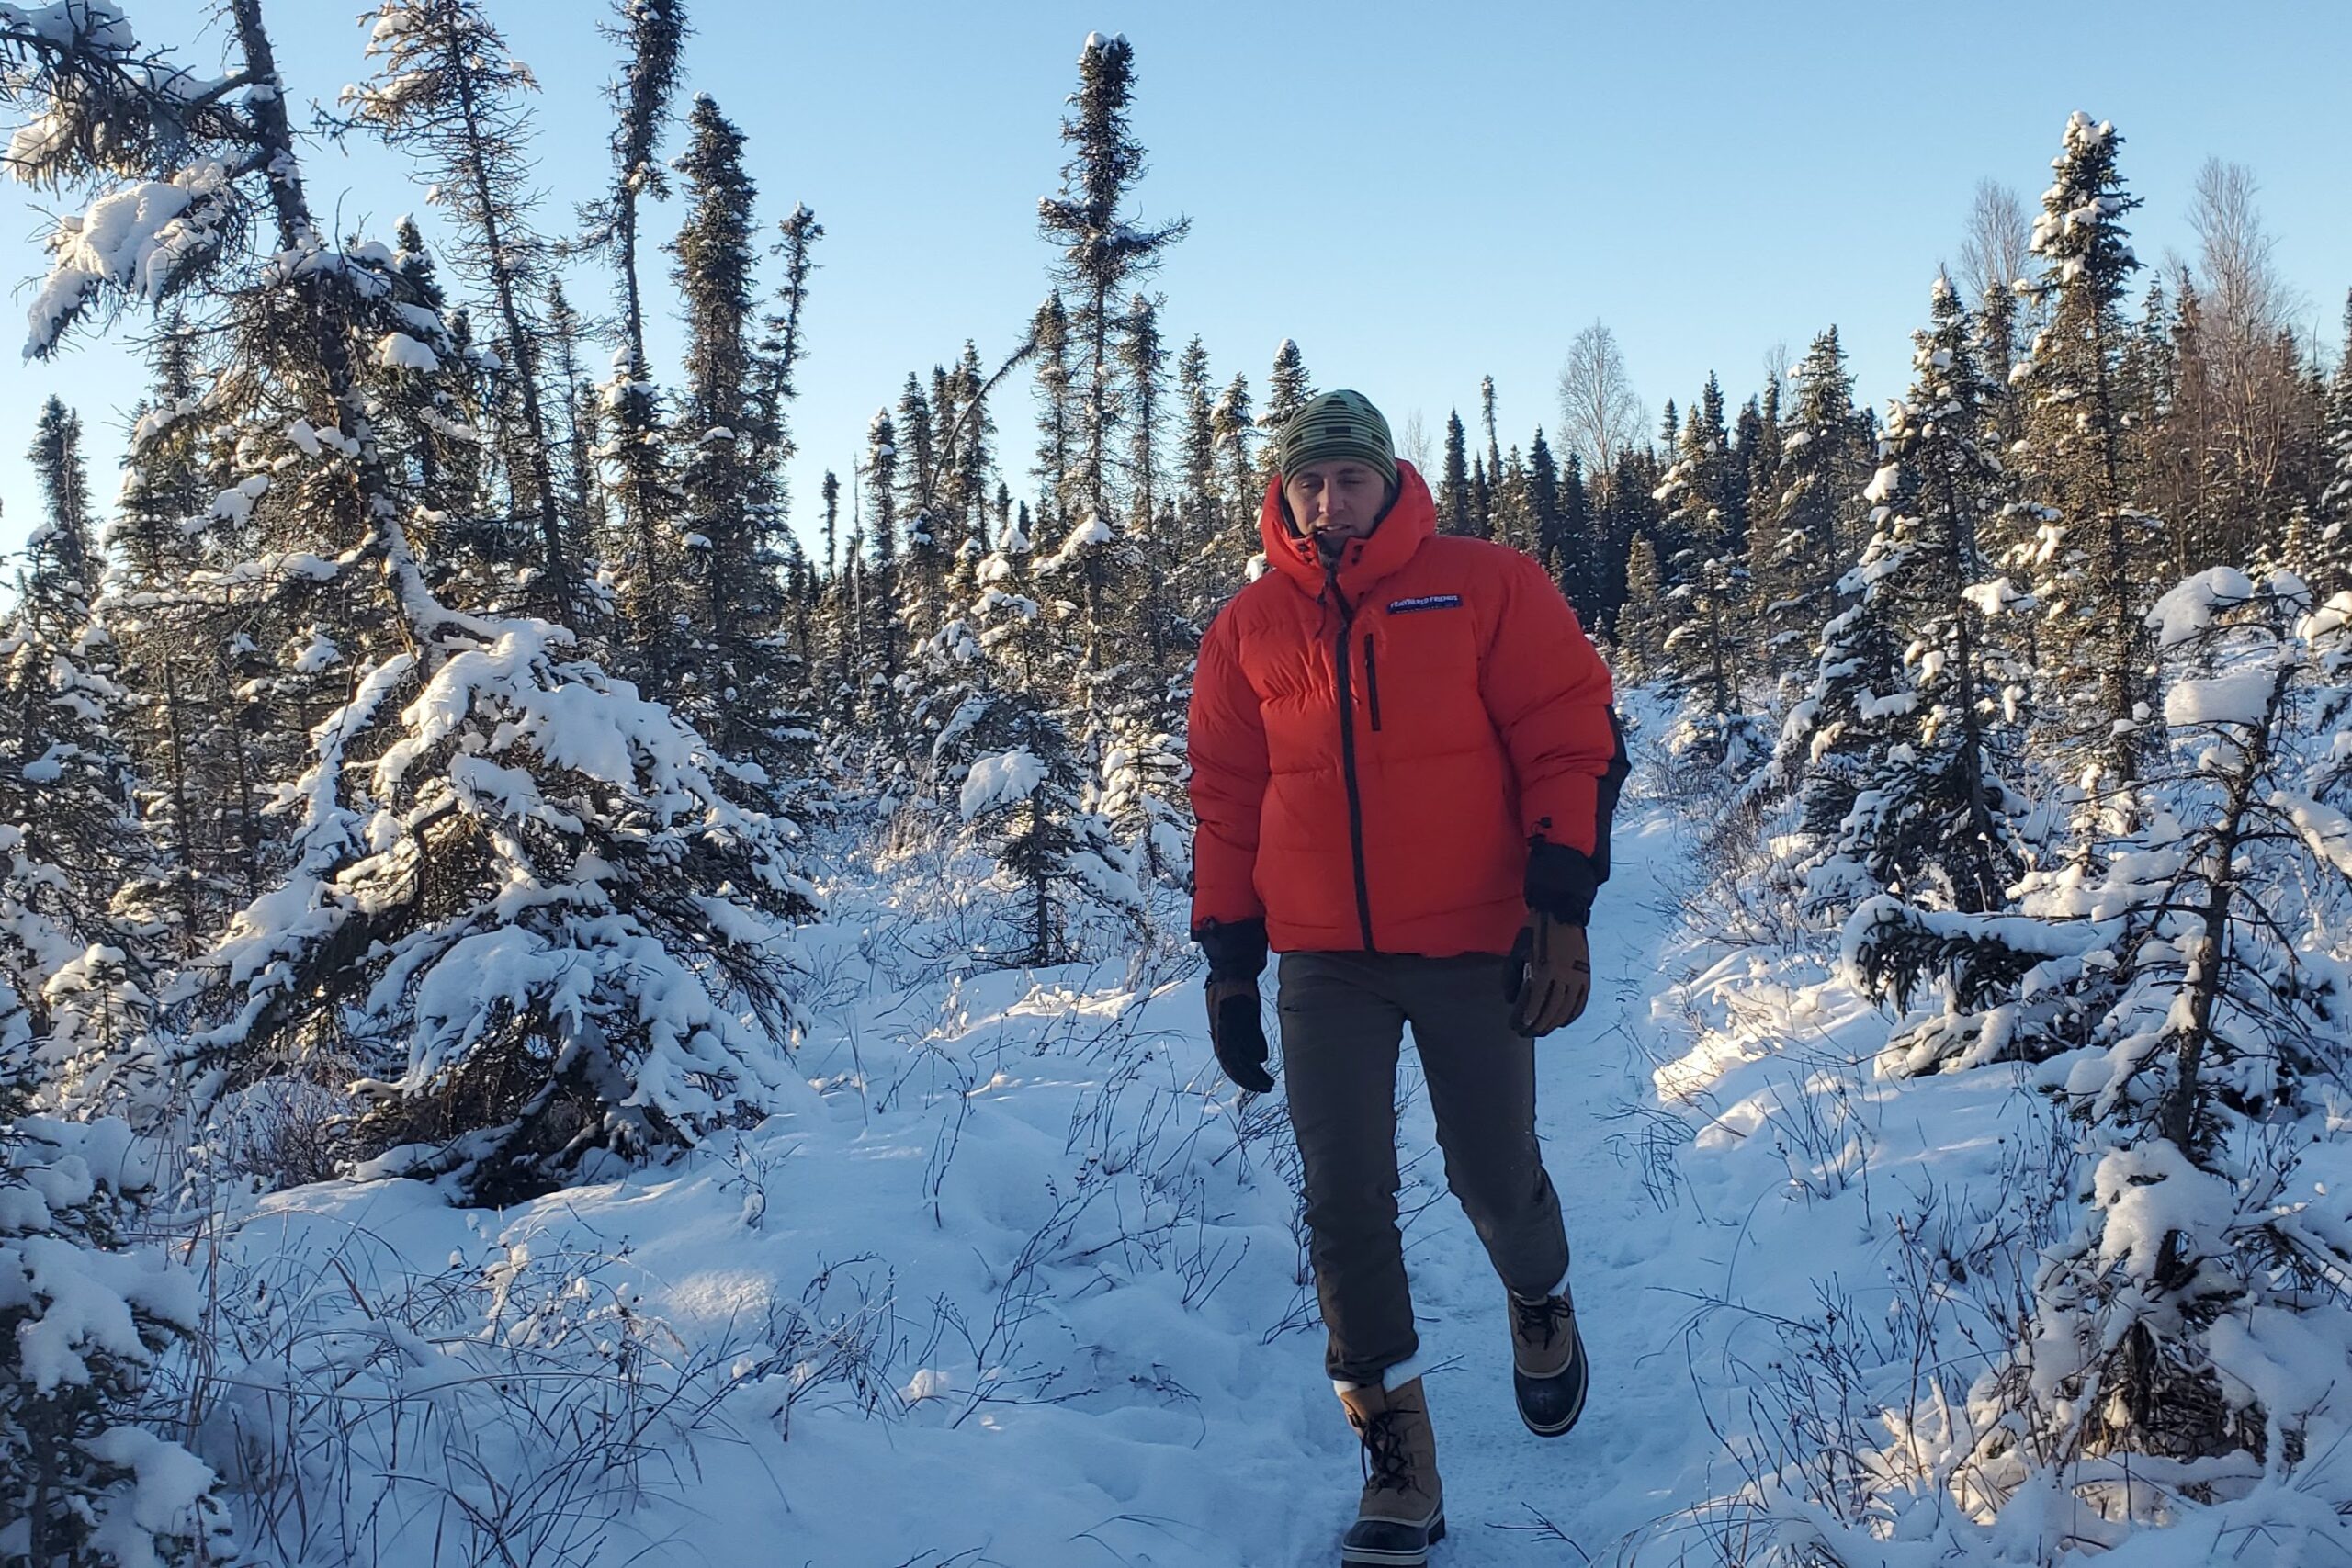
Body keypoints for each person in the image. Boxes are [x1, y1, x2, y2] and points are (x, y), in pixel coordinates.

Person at [1188, 389, 1625, 1567]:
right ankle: (1397, 1459)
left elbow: (1571, 733)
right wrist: (1231, 961)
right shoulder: (1247, 629)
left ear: (1390, 482)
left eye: (1351, 478)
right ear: (1284, 496)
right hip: (1325, 960)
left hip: (1476, 938)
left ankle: (1539, 1299)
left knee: (1490, 1172)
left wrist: (1560, 904)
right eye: (1309, 483)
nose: (1330, 503)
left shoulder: (1486, 585)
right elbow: (1228, 802)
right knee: (1343, 1200)